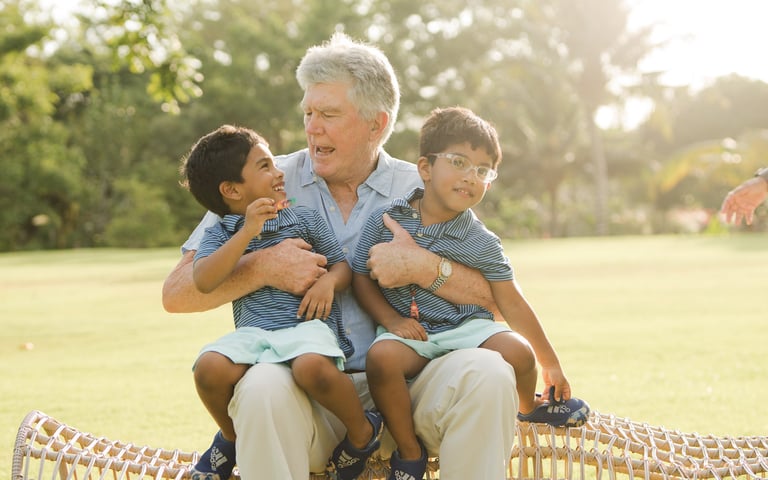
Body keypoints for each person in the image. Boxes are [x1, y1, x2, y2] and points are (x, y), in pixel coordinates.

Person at [163, 32, 519, 480]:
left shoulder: (427, 187)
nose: (313, 127)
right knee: (260, 386)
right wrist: (261, 268)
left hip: (412, 389)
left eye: (329, 114)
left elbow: (499, 302)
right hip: (306, 391)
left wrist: (427, 268)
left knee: (488, 370)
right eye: (309, 113)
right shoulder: (265, 181)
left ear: (376, 123)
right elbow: (177, 294)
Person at [351, 106, 590, 480]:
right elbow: (360, 278)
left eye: (482, 170)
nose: (470, 177)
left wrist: (551, 363)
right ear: (426, 168)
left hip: (467, 331)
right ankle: (409, 453)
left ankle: (528, 407)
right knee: (382, 358)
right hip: (413, 335)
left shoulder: (481, 240)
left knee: (519, 352)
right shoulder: (387, 219)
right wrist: (391, 320)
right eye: (459, 162)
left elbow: (511, 302)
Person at [179, 125, 383, 480]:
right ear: (231, 190)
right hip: (257, 336)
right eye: (264, 166)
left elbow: (341, 267)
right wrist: (247, 232)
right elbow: (204, 280)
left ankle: (363, 432)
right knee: (208, 368)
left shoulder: (302, 218)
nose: (278, 173)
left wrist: (328, 286)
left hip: (305, 330)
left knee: (311, 369)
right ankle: (230, 437)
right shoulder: (222, 233)